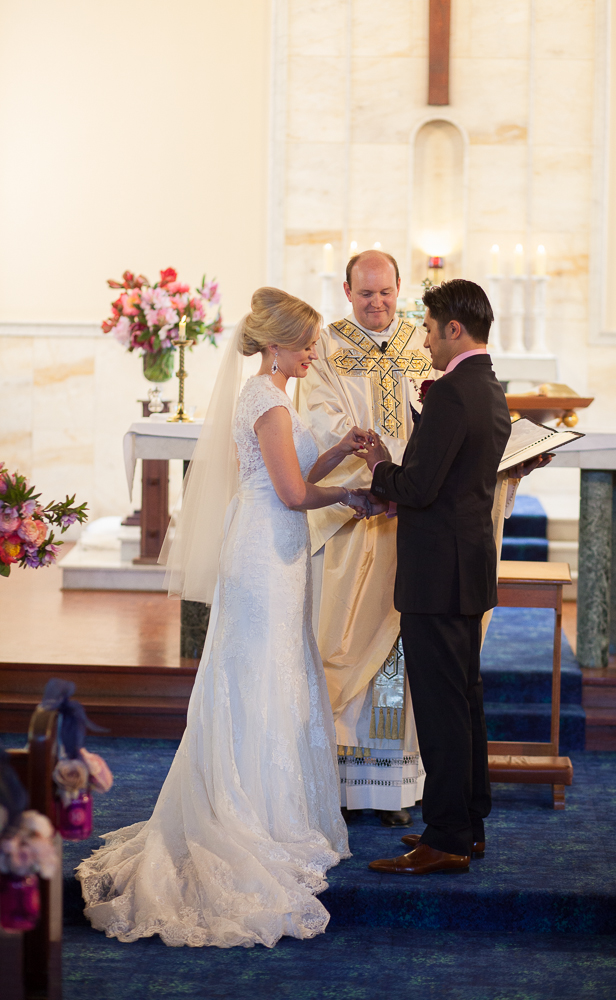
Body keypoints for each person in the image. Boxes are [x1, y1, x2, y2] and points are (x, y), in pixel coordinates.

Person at [76, 288, 371, 947]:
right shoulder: (266, 400)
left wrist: (335, 453)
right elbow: (292, 494)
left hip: (274, 548)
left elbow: (287, 472)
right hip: (265, 555)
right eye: (305, 344)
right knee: (259, 679)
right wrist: (351, 491)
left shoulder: (266, 395)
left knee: (272, 674)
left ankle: (264, 801)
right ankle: (250, 813)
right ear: (276, 345)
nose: (311, 353)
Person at [359, 279, 513, 874]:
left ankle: (446, 837)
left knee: (442, 704)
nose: (423, 340)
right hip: (467, 564)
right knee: (464, 696)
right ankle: (468, 822)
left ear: (453, 328)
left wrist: (379, 467)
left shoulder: (451, 393)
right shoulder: (489, 386)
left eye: (427, 328)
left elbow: (419, 488)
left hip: (437, 573)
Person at [294, 249, 431, 827]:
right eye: (365, 293)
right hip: (357, 526)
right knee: (343, 644)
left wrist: (413, 484)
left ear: (401, 289)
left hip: (413, 524)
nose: (377, 303)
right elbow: (322, 423)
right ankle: (343, 785)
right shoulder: (325, 346)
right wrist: (374, 484)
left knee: (398, 652)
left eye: (386, 292)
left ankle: (392, 786)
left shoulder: (424, 344)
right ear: (346, 291)